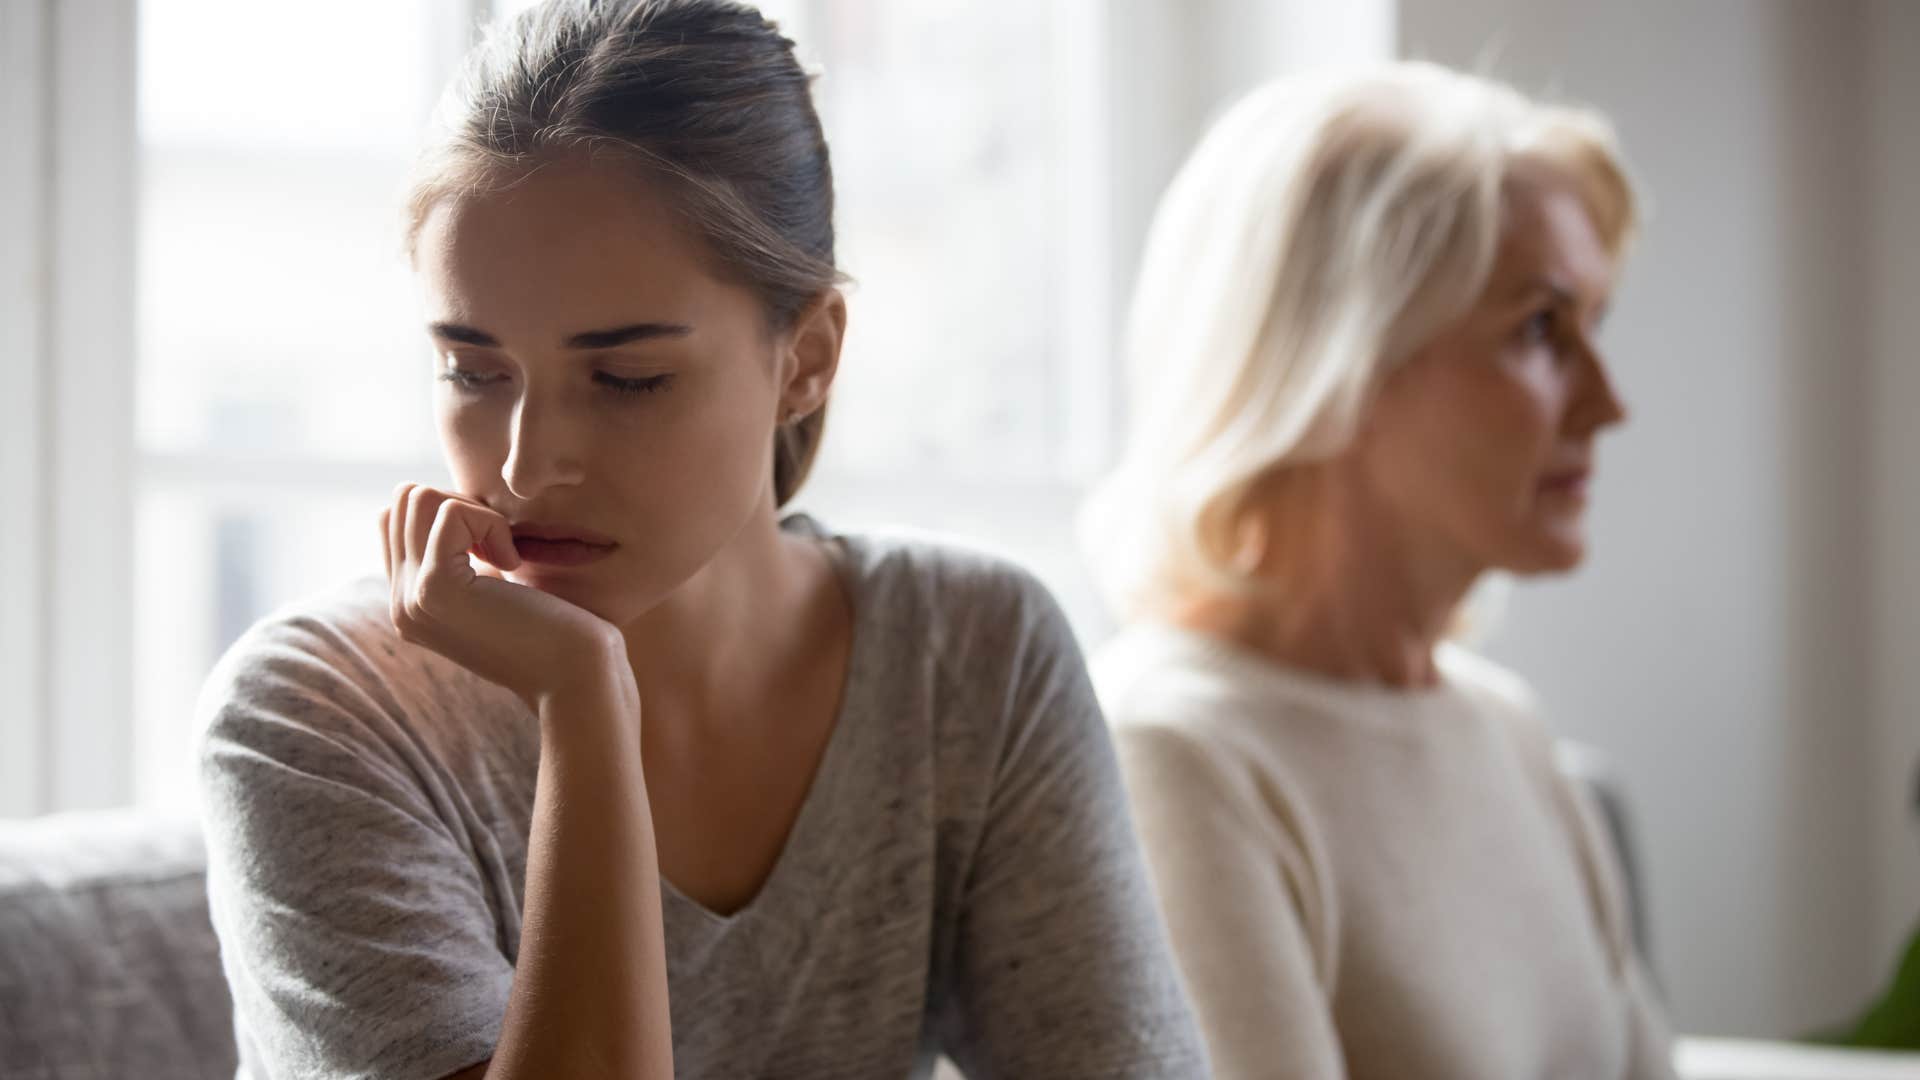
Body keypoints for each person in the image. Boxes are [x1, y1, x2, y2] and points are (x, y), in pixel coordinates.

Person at [195, 2, 1207, 1077]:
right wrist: (585, 705)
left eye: (628, 379)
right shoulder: (311, 716)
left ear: (807, 355)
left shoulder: (967, 657)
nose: (528, 467)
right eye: (473, 370)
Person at [1083, 62, 1676, 1079]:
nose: (1609, 403)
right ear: (1336, 363)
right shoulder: (1171, 757)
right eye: (1541, 329)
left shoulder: (1507, 730)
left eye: (1594, 326)